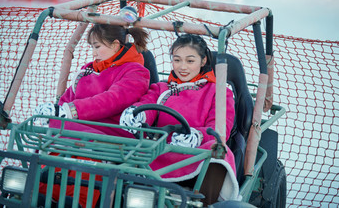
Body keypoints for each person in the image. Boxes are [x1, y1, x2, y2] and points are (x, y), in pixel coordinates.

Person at [35, 24, 151, 207]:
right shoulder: (89, 69)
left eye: (97, 46)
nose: (93, 52)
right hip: (79, 132)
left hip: (110, 134)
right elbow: (68, 97)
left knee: (84, 153)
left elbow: (113, 99)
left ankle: (80, 201)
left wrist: (71, 111)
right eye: (92, 47)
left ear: (114, 45)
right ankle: (41, 194)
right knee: (53, 142)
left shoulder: (135, 72)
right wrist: (57, 111)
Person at [120, 34, 239, 205]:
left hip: (195, 156)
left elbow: (220, 129)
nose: (182, 67)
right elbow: (148, 104)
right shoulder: (162, 88)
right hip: (160, 153)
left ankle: (204, 203)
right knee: (128, 143)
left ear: (203, 61)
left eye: (190, 61)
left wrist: (196, 136)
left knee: (219, 150)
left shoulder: (218, 92)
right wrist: (137, 114)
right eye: (177, 60)